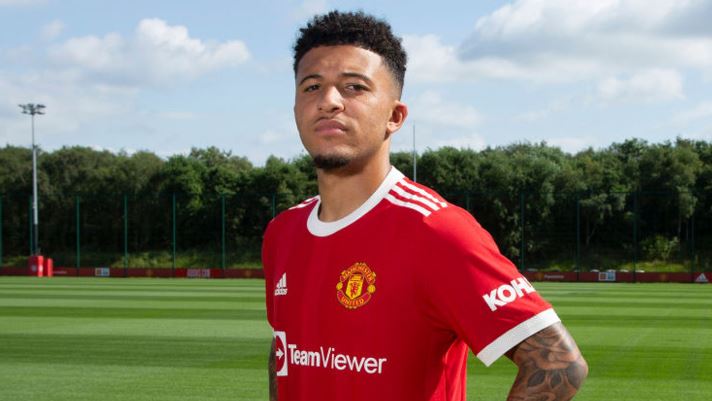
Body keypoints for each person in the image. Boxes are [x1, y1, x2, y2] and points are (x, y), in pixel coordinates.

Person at [262, 10, 588, 401]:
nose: (328, 101)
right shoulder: (283, 232)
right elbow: (284, 351)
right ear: (296, 109)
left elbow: (559, 364)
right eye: (312, 87)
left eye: (354, 87)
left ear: (394, 116)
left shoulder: (435, 229)